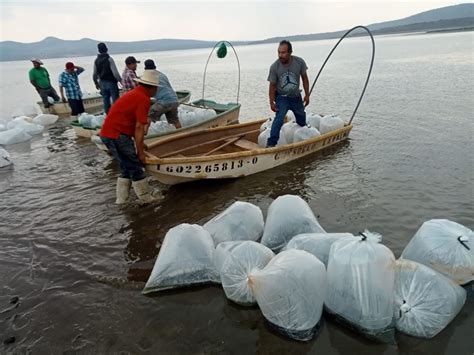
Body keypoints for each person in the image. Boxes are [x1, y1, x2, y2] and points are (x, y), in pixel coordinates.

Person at [99, 70, 161, 204]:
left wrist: (140, 144)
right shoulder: (143, 99)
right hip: (116, 135)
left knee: (126, 167)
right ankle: (146, 198)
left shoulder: (135, 94)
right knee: (135, 166)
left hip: (109, 133)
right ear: (153, 87)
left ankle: (121, 201)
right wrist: (140, 153)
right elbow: (139, 127)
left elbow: (131, 123)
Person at [267, 40, 310, 147]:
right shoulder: (274, 67)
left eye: (283, 53)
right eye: (279, 52)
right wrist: (271, 102)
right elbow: (272, 86)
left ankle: (304, 138)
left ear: (290, 52)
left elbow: (305, 79)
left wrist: (307, 94)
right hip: (282, 98)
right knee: (279, 118)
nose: (280, 55)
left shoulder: (299, 62)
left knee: (301, 120)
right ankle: (271, 143)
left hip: (296, 97)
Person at [145, 59, 182, 129]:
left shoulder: (149, 76)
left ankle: (144, 136)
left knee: (148, 116)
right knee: (175, 121)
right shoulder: (162, 75)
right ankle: (182, 134)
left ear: (146, 69)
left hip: (164, 101)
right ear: (154, 67)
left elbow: (147, 92)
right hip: (174, 99)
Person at [93, 42, 122, 114]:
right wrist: (121, 81)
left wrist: (96, 83)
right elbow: (115, 73)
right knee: (116, 101)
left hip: (102, 83)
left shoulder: (96, 60)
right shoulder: (109, 59)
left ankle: (108, 116)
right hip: (111, 82)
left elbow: (94, 74)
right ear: (106, 49)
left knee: (105, 100)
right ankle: (116, 115)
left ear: (99, 50)